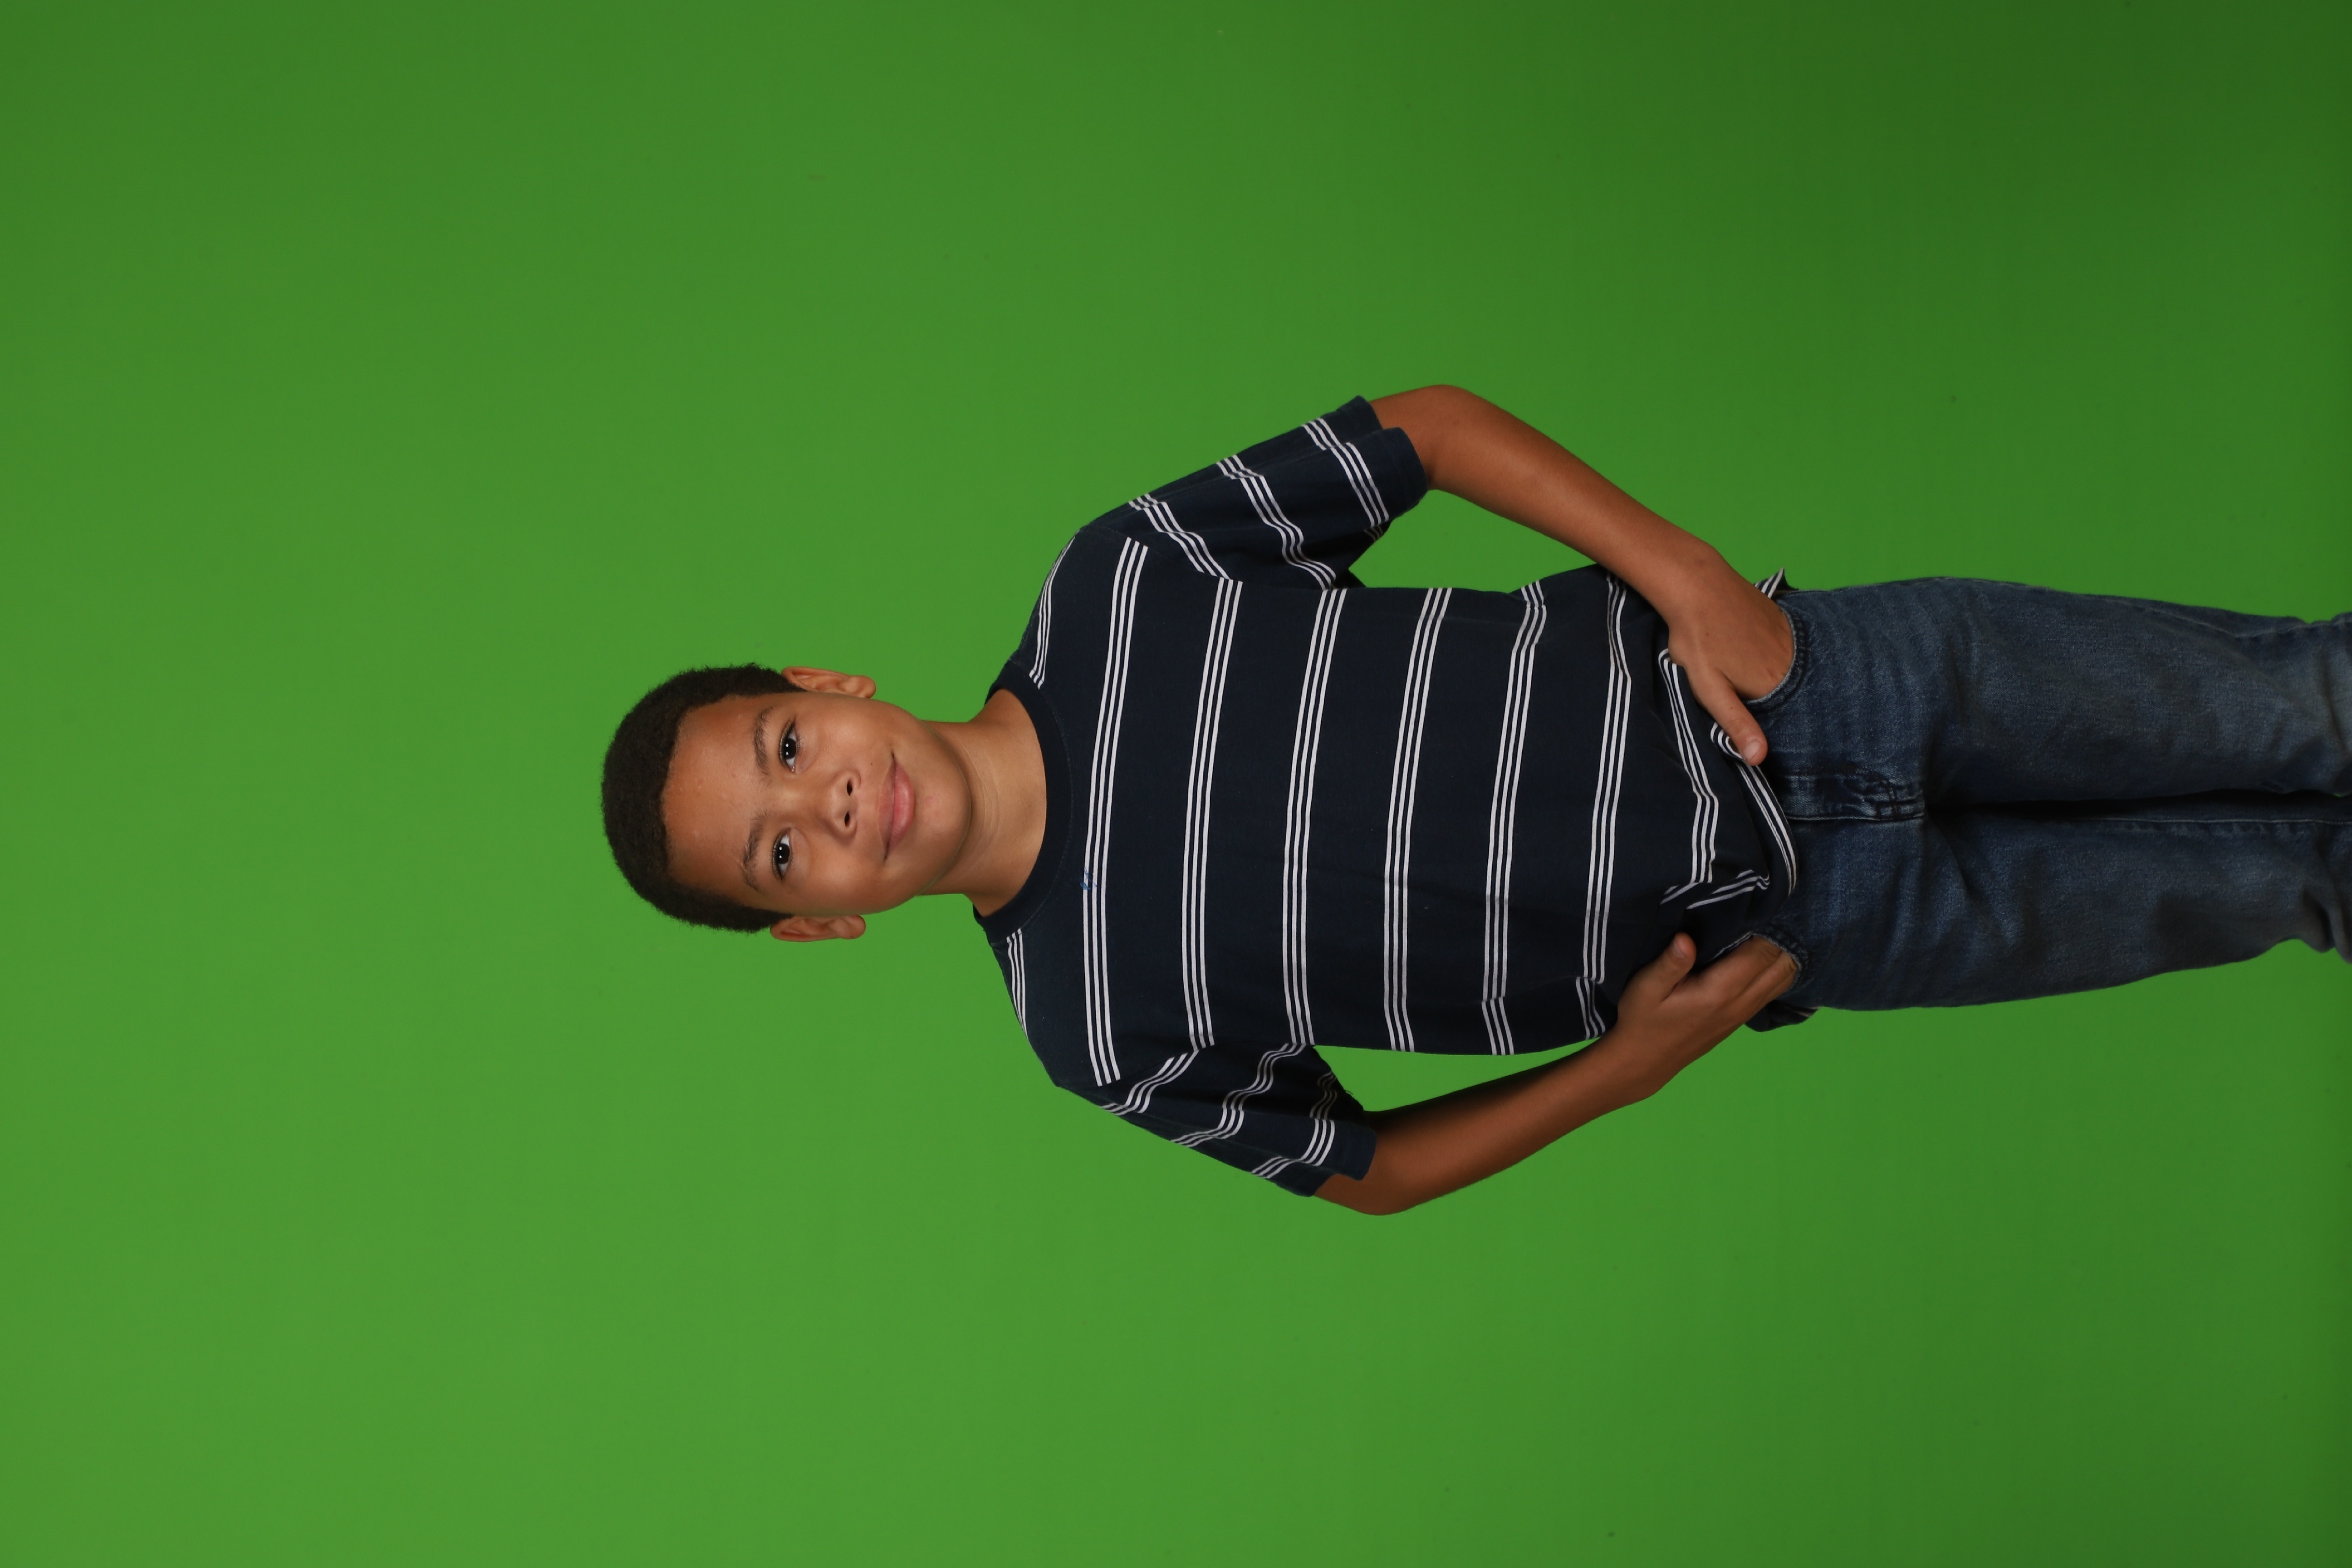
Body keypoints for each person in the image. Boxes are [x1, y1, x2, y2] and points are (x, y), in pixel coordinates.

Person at [600, 388, 2351, 1214]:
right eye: (781, 853)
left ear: (825, 685)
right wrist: (1619, 1074)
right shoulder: (1094, 1028)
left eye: (786, 748)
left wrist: (1681, 571)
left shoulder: (1119, 583)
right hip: (1801, 927)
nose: (832, 805)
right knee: (2294, 883)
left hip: (1802, 680)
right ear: (814, 923)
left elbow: (1424, 432)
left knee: (2301, 703)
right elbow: (1362, 1170)